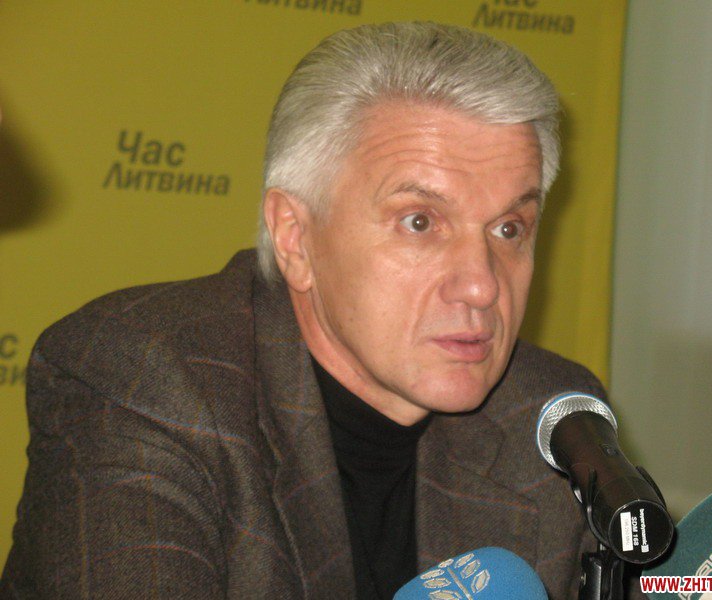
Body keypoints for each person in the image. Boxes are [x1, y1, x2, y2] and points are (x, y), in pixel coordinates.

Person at [2, 22, 612, 599]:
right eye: (419, 222)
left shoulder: (551, 419)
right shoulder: (147, 381)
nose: (481, 286)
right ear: (295, 238)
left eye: (509, 228)